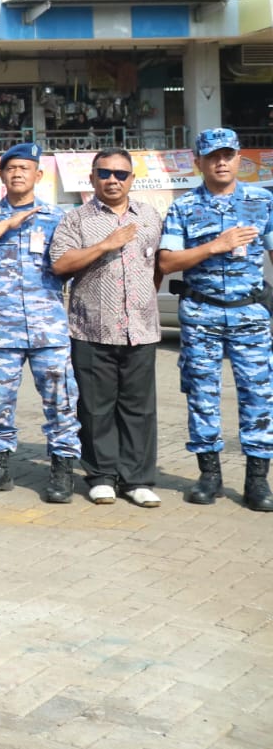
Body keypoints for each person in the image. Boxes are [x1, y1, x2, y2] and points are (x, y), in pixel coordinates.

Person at [0, 143, 80, 502]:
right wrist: (7, 224)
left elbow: (73, 264)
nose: (18, 173)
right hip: (1, 328)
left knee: (61, 401)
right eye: (11, 168)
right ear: (2, 176)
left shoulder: (59, 219)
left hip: (49, 328)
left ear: (38, 175)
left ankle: (62, 471)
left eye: (26, 168)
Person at [158, 128, 273, 512]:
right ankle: (209, 476)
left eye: (227, 155)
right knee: (202, 396)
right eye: (212, 156)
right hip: (201, 313)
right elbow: (168, 262)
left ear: (239, 158)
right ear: (199, 163)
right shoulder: (183, 207)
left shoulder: (262, 201)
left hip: (251, 313)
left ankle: (257, 480)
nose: (220, 162)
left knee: (258, 396)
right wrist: (215, 246)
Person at [49, 148, 164, 506]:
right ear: (92, 178)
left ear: (131, 179)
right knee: (96, 407)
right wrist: (105, 245)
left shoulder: (150, 216)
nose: (113, 180)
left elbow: (158, 265)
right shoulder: (76, 219)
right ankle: (101, 475)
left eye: (121, 174)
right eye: (105, 173)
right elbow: (61, 264)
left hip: (140, 329)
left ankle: (137, 479)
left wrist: (143, 299)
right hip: (91, 330)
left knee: (139, 408)